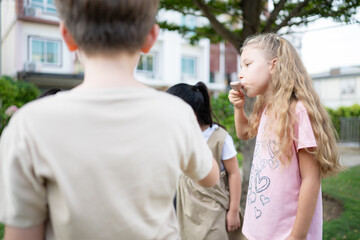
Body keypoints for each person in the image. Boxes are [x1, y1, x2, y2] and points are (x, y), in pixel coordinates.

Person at [0, 1, 220, 239]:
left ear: (66, 35)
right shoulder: (177, 114)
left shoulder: (29, 125)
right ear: (151, 37)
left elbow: (23, 233)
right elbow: (211, 177)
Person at [228, 33, 342, 240]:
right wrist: (238, 107)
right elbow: (244, 133)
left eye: (248, 64)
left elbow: (311, 178)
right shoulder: (266, 108)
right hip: (261, 228)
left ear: (273, 65)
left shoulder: (297, 112)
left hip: (286, 233)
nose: (241, 74)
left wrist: (296, 236)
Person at [167, 82, 244, 240]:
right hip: (186, 208)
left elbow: (234, 173)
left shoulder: (219, 138)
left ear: (191, 115)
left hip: (214, 208)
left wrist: (234, 211)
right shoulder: (179, 137)